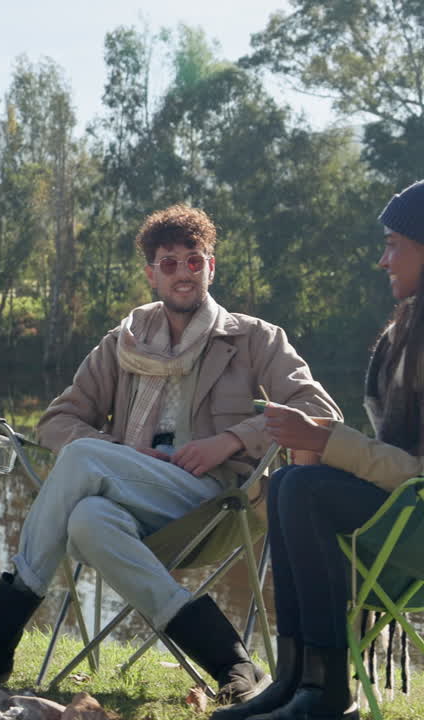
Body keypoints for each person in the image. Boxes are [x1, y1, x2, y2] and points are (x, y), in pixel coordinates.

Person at [0, 205, 341, 705]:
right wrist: (125, 452)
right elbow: (56, 421)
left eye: (194, 261)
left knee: (82, 460)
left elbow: (319, 409)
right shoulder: (122, 344)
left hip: (217, 501)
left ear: (212, 266)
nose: (183, 273)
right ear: (151, 274)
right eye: (169, 263)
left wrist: (227, 442)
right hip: (134, 496)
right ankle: (230, 659)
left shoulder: (254, 338)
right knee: (86, 519)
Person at [214, 182, 424, 720]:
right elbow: (388, 457)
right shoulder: (400, 338)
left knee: (304, 489)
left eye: (393, 243)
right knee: (288, 483)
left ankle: (327, 694)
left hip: (416, 529)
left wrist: (328, 440)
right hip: (402, 519)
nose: (383, 260)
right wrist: (318, 446)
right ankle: (295, 679)